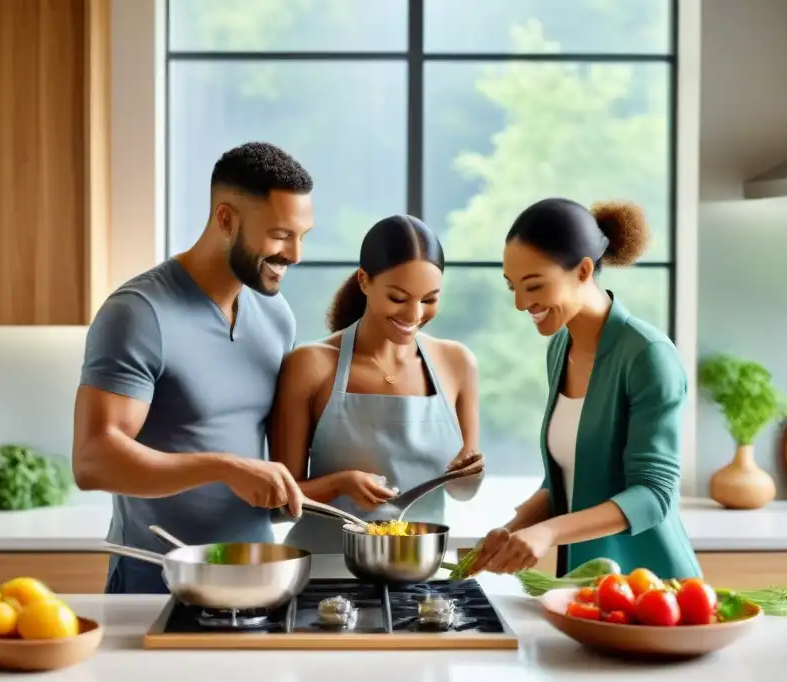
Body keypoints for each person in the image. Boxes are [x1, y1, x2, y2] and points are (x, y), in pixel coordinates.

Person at [72, 142, 315, 594]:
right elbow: (93, 461)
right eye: (281, 234)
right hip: (157, 578)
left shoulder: (276, 314)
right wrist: (223, 467)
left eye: (303, 235)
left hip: (256, 576)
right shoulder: (139, 313)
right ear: (226, 220)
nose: (296, 254)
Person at [467, 198, 700, 580]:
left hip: (649, 588)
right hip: (584, 584)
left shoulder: (648, 356)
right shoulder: (560, 348)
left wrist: (548, 532)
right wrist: (512, 530)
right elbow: (568, 479)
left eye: (534, 285)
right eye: (513, 287)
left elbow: (653, 495)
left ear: (584, 270)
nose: (520, 303)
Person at [270, 214, 484, 554]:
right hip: (324, 572)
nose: (414, 314)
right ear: (364, 281)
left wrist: (470, 474)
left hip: (417, 573)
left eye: (429, 299)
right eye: (398, 298)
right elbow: (280, 502)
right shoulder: (311, 364)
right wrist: (340, 484)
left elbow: (463, 491)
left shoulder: (457, 364)